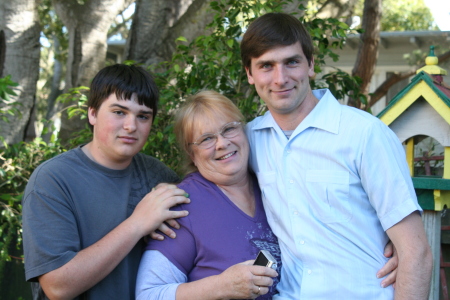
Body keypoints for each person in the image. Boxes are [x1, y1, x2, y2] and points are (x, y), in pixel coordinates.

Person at [240, 12, 433, 299]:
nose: (280, 79)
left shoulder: (364, 134)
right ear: (249, 74)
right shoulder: (247, 141)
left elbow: (416, 252)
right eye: (266, 66)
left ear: (311, 65)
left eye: (292, 62)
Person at [22, 64, 190, 299]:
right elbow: (58, 286)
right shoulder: (52, 180)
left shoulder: (160, 176)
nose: (131, 126)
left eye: (143, 116)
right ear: (92, 113)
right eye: (119, 112)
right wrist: (138, 223)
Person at [136, 90, 279, 299]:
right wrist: (222, 286)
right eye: (206, 139)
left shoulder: (272, 186)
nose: (222, 143)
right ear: (192, 154)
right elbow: (148, 294)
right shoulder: (184, 205)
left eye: (229, 129)